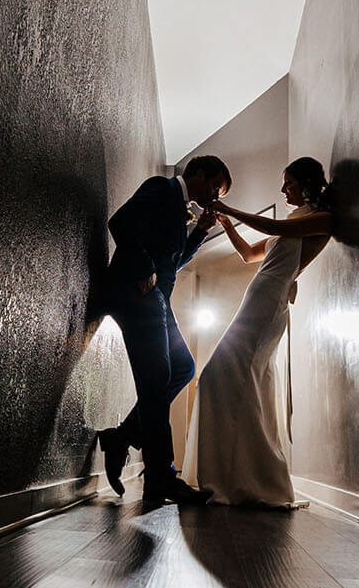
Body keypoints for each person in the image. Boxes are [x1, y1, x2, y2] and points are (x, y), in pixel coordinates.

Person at [183, 157, 334, 507]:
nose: (283, 189)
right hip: (256, 300)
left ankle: (254, 478)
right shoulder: (294, 222)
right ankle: (236, 474)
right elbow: (250, 254)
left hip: (268, 304)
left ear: (306, 184)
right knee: (234, 379)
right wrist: (227, 224)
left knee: (218, 376)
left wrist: (230, 209)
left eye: (289, 183)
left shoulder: (321, 220)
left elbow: (272, 226)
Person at [95, 155, 232, 506]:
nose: (215, 196)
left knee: (183, 368)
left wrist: (199, 233)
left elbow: (172, 262)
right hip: (137, 297)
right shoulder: (162, 188)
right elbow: (120, 223)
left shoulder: (181, 207)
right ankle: (160, 477)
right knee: (157, 380)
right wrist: (144, 267)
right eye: (215, 187)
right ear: (198, 173)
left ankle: (122, 437)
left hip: (158, 301)